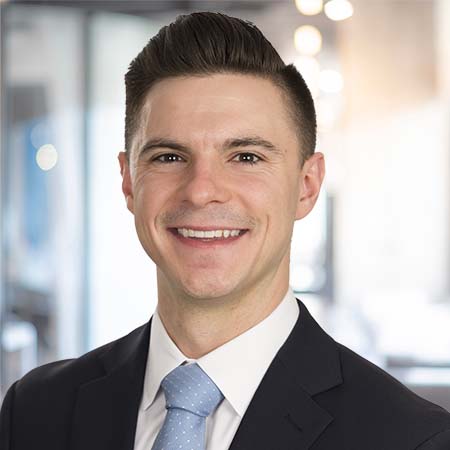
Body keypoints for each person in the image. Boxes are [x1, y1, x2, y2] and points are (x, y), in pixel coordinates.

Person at [1, 11, 450, 450]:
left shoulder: (411, 438)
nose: (201, 192)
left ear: (307, 186)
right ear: (129, 182)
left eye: (246, 157)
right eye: (169, 157)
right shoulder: (34, 411)